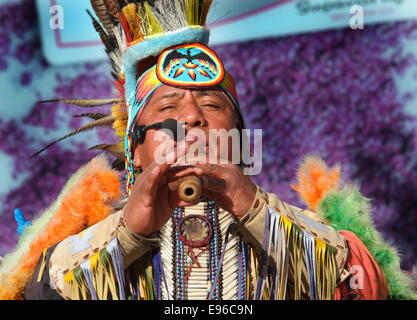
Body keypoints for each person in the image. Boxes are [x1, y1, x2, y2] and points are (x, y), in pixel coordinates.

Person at [0, 0, 414, 300]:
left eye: (213, 106)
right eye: (167, 107)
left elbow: (360, 288)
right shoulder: (67, 260)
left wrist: (252, 209)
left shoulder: (318, 238)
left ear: (237, 137)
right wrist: (128, 236)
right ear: (136, 150)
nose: (193, 118)